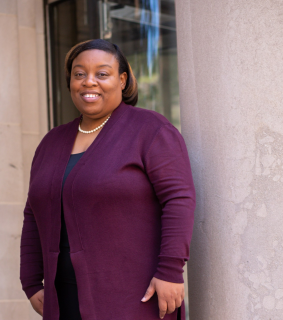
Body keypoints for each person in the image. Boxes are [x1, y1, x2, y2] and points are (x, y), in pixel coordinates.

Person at [19, 39, 195, 320]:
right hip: (62, 298)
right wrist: (30, 280)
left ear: (122, 80)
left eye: (102, 74)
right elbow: (33, 212)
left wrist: (171, 271)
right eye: (79, 74)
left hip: (135, 296)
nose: (89, 82)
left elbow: (179, 200)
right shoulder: (51, 142)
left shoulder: (150, 130)